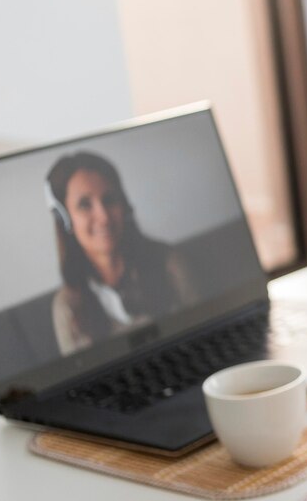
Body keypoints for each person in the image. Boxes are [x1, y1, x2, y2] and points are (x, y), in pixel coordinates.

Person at [46, 151, 196, 355]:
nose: (104, 217)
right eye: (85, 205)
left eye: (109, 199)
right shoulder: (67, 306)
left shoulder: (169, 264)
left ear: (123, 205)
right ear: (65, 220)